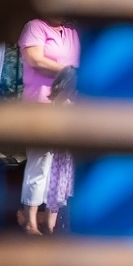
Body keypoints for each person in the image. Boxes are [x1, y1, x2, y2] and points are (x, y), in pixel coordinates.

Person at [18, 15, 79, 234]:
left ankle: (52, 224)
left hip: (67, 106)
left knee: (61, 165)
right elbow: (36, 60)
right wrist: (67, 71)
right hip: (40, 105)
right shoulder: (35, 27)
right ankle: (30, 222)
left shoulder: (72, 32)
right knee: (40, 161)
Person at [42, 66, 76, 234]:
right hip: (65, 155)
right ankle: (54, 227)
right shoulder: (65, 103)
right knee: (61, 193)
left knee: (58, 193)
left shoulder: (58, 101)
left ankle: (52, 228)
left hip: (63, 155)